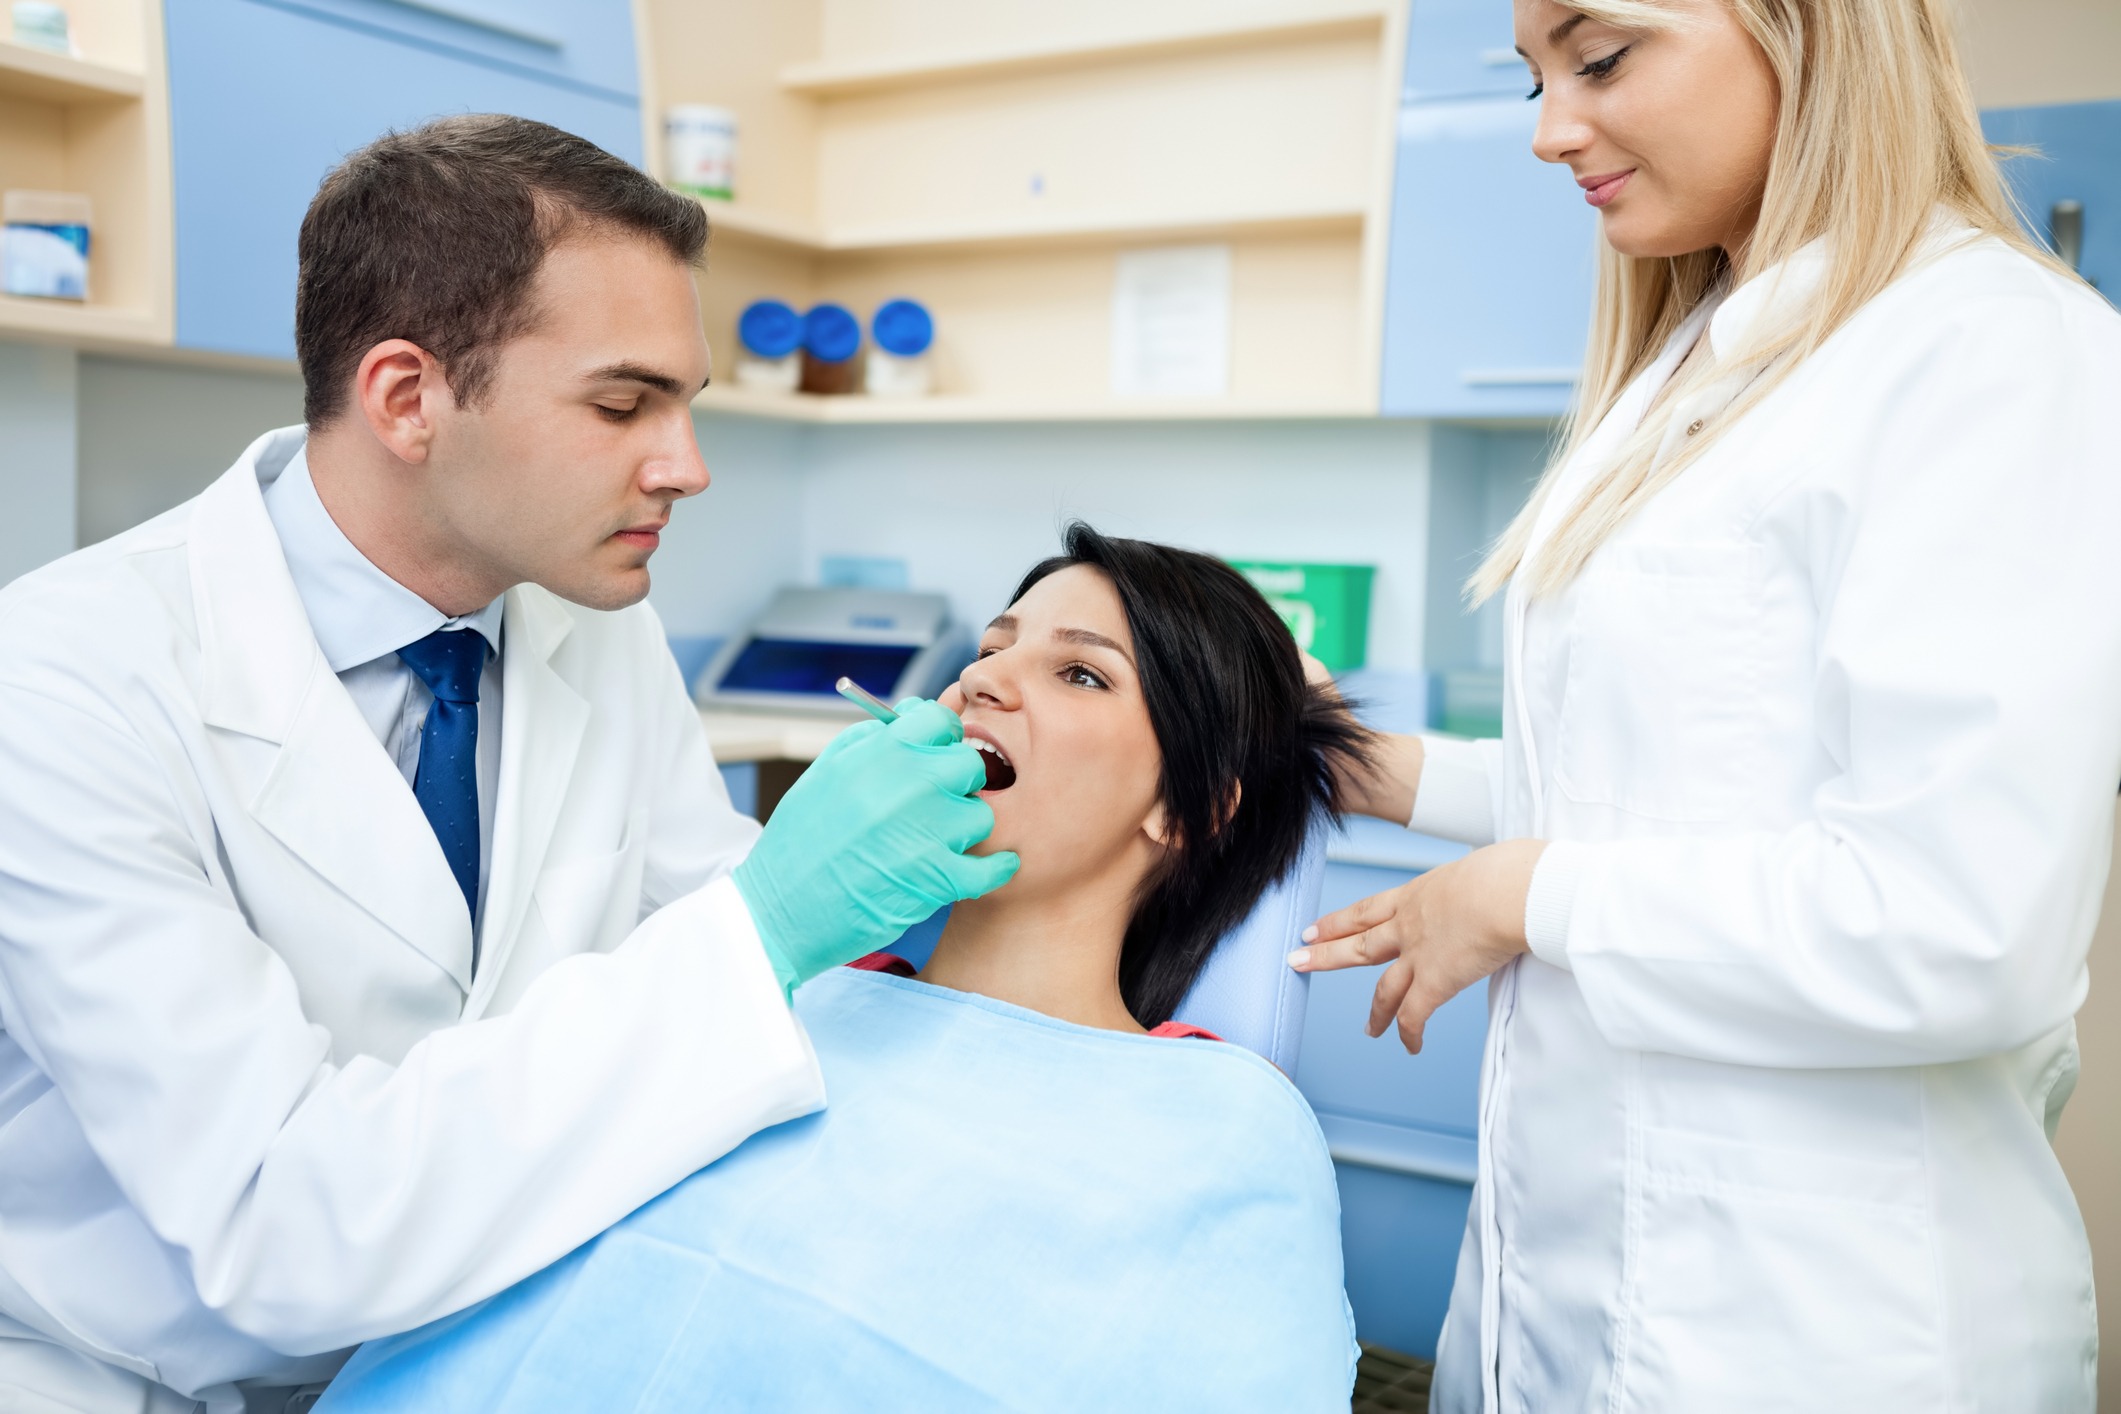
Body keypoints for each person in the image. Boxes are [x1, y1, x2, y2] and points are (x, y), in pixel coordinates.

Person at [0, 115, 1014, 1414]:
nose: (686, 467)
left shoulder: (594, 625)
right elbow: (285, 1217)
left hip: (489, 1337)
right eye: (621, 402)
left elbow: (706, 952)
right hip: (130, 1373)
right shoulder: (61, 685)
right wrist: (764, 929)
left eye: (687, 402)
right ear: (409, 398)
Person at [1289, 1, 2121, 1409]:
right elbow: (1672, 787)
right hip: (1566, 1300)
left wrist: (1518, 896)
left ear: (1811, 30)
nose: (1550, 130)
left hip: (1811, 1327)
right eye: (1535, 77)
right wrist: (1377, 765)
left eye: (1600, 58)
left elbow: (1960, 923)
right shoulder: (1692, 365)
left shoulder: (1992, 351)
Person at [311, 526, 1374, 1413]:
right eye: (994, 648)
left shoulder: (1229, 1130)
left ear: (1188, 806)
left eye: (1081, 671)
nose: (985, 679)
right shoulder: (757, 991)